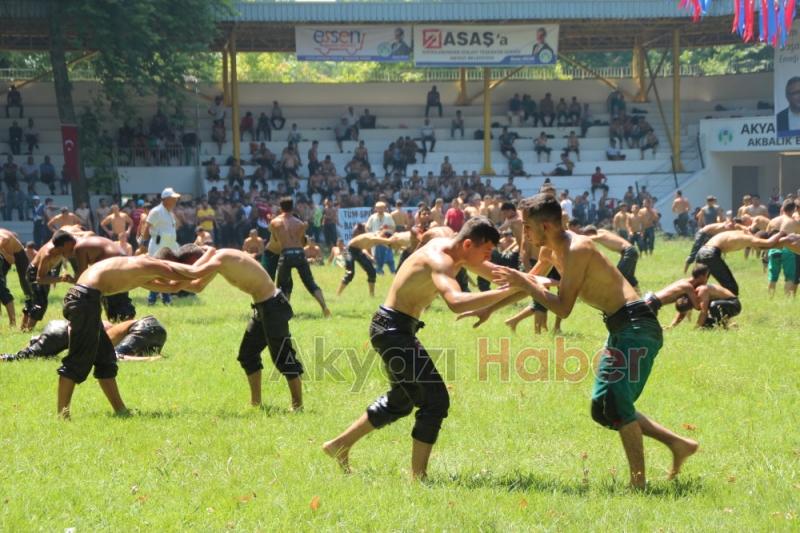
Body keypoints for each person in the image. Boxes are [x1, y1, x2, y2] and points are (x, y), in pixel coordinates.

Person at [483, 193, 699, 489]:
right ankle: (678, 444)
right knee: (603, 407)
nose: (523, 233)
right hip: (621, 329)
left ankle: (639, 485)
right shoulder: (550, 251)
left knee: (616, 404)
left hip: (637, 327)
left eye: (527, 227)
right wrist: (486, 309)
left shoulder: (579, 248)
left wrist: (524, 283)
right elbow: (527, 286)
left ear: (545, 226)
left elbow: (562, 308)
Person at [323, 217, 523, 479]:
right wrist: (505, 293)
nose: (488, 259)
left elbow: (497, 274)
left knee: (402, 399)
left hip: (394, 328)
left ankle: (339, 444)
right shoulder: (440, 261)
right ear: (467, 244)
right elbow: (456, 301)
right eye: (485, 252)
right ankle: (419, 477)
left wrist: (532, 280)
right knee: (436, 401)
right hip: (393, 331)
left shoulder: (451, 247)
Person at [54, 252, 209, 418]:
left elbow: (173, 286)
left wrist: (199, 277)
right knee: (77, 362)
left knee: (105, 361)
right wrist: (216, 259)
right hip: (85, 299)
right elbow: (191, 272)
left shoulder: (140, 273)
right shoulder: (148, 264)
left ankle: (121, 410)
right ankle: (62, 416)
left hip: (85, 299)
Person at [156, 245, 304, 409]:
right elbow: (197, 285)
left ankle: (297, 406)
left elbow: (194, 273)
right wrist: (147, 282)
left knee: (283, 357)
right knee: (247, 355)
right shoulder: (218, 259)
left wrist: (163, 270)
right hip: (263, 307)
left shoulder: (221, 258)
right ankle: (256, 403)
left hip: (273, 306)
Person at [1, 315, 167, 362]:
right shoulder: (93, 323)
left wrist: (8, 357)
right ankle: (149, 357)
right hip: (155, 328)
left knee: (112, 356)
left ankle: (150, 359)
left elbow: (30, 352)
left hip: (143, 329)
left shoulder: (58, 332)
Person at [271, 197, 331, 317]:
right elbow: (303, 242)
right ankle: (324, 307)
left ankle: (285, 312)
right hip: (299, 253)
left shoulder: (275, 222)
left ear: (280, 208)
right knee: (310, 283)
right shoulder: (299, 223)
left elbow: (276, 240)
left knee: (283, 285)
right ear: (292, 207)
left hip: (286, 254)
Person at [695, 229, 783, 296]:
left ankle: (687, 308)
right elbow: (769, 242)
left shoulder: (743, 232)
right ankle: (724, 316)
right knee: (731, 289)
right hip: (710, 254)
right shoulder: (749, 239)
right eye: (759, 247)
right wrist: (782, 233)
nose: (757, 250)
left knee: (698, 283)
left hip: (702, 251)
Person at [72, 235, 137, 322]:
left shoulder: (79, 247)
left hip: (113, 266)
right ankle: (124, 321)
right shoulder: (90, 240)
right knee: (120, 300)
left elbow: (82, 276)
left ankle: (126, 323)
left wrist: (73, 282)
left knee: (116, 303)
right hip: (123, 263)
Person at [22, 230, 78, 332]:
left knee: (34, 301)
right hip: (34, 274)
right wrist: (60, 279)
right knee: (40, 303)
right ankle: (28, 330)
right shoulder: (47, 255)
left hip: (45, 272)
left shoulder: (59, 243)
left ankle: (23, 329)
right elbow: (39, 279)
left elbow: (58, 232)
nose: (73, 247)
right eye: (71, 245)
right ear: (63, 245)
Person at [141, 187, 181, 305]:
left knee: (166, 273)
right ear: (166, 199)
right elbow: (147, 227)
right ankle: (152, 299)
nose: (175, 201)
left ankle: (166, 299)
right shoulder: (156, 211)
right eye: (173, 198)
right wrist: (143, 242)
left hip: (169, 247)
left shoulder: (170, 213)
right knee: (157, 273)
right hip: (158, 247)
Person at [337, 224, 393, 297]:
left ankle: (372, 295)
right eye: (385, 240)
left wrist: (370, 257)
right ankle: (338, 294)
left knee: (372, 272)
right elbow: (373, 239)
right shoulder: (375, 236)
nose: (385, 243)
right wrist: (388, 240)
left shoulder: (378, 237)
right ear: (384, 236)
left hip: (358, 251)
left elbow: (366, 247)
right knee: (350, 273)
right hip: (348, 250)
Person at [0, 228, 32, 327]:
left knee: (26, 287)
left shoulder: (3, 236)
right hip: (4, 255)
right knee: (1, 287)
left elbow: (12, 260)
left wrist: (2, 250)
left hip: (19, 255)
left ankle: (27, 318)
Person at [366, 201, 397, 275]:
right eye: (378, 208)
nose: (380, 210)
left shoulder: (388, 216)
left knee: (389, 257)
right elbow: (367, 227)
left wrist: (386, 227)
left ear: (385, 208)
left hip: (387, 239)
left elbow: (393, 226)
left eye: (382, 208)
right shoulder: (372, 217)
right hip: (376, 239)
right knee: (378, 257)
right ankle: (379, 271)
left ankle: (393, 271)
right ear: (375, 209)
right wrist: (370, 235)